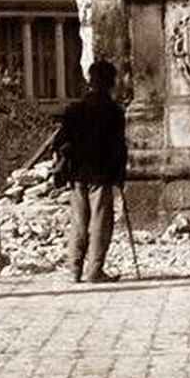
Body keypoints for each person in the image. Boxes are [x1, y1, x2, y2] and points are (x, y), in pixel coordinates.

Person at [51, 59, 128, 283]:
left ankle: (74, 269)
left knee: (78, 221)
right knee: (100, 223)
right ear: (110, 82)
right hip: (101, 173)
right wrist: (120, 175)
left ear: (91, 80)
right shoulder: (113, 112)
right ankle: (94, 270)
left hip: (77, 174)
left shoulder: (74, 109)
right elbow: (118, 147)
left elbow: (61, 142)